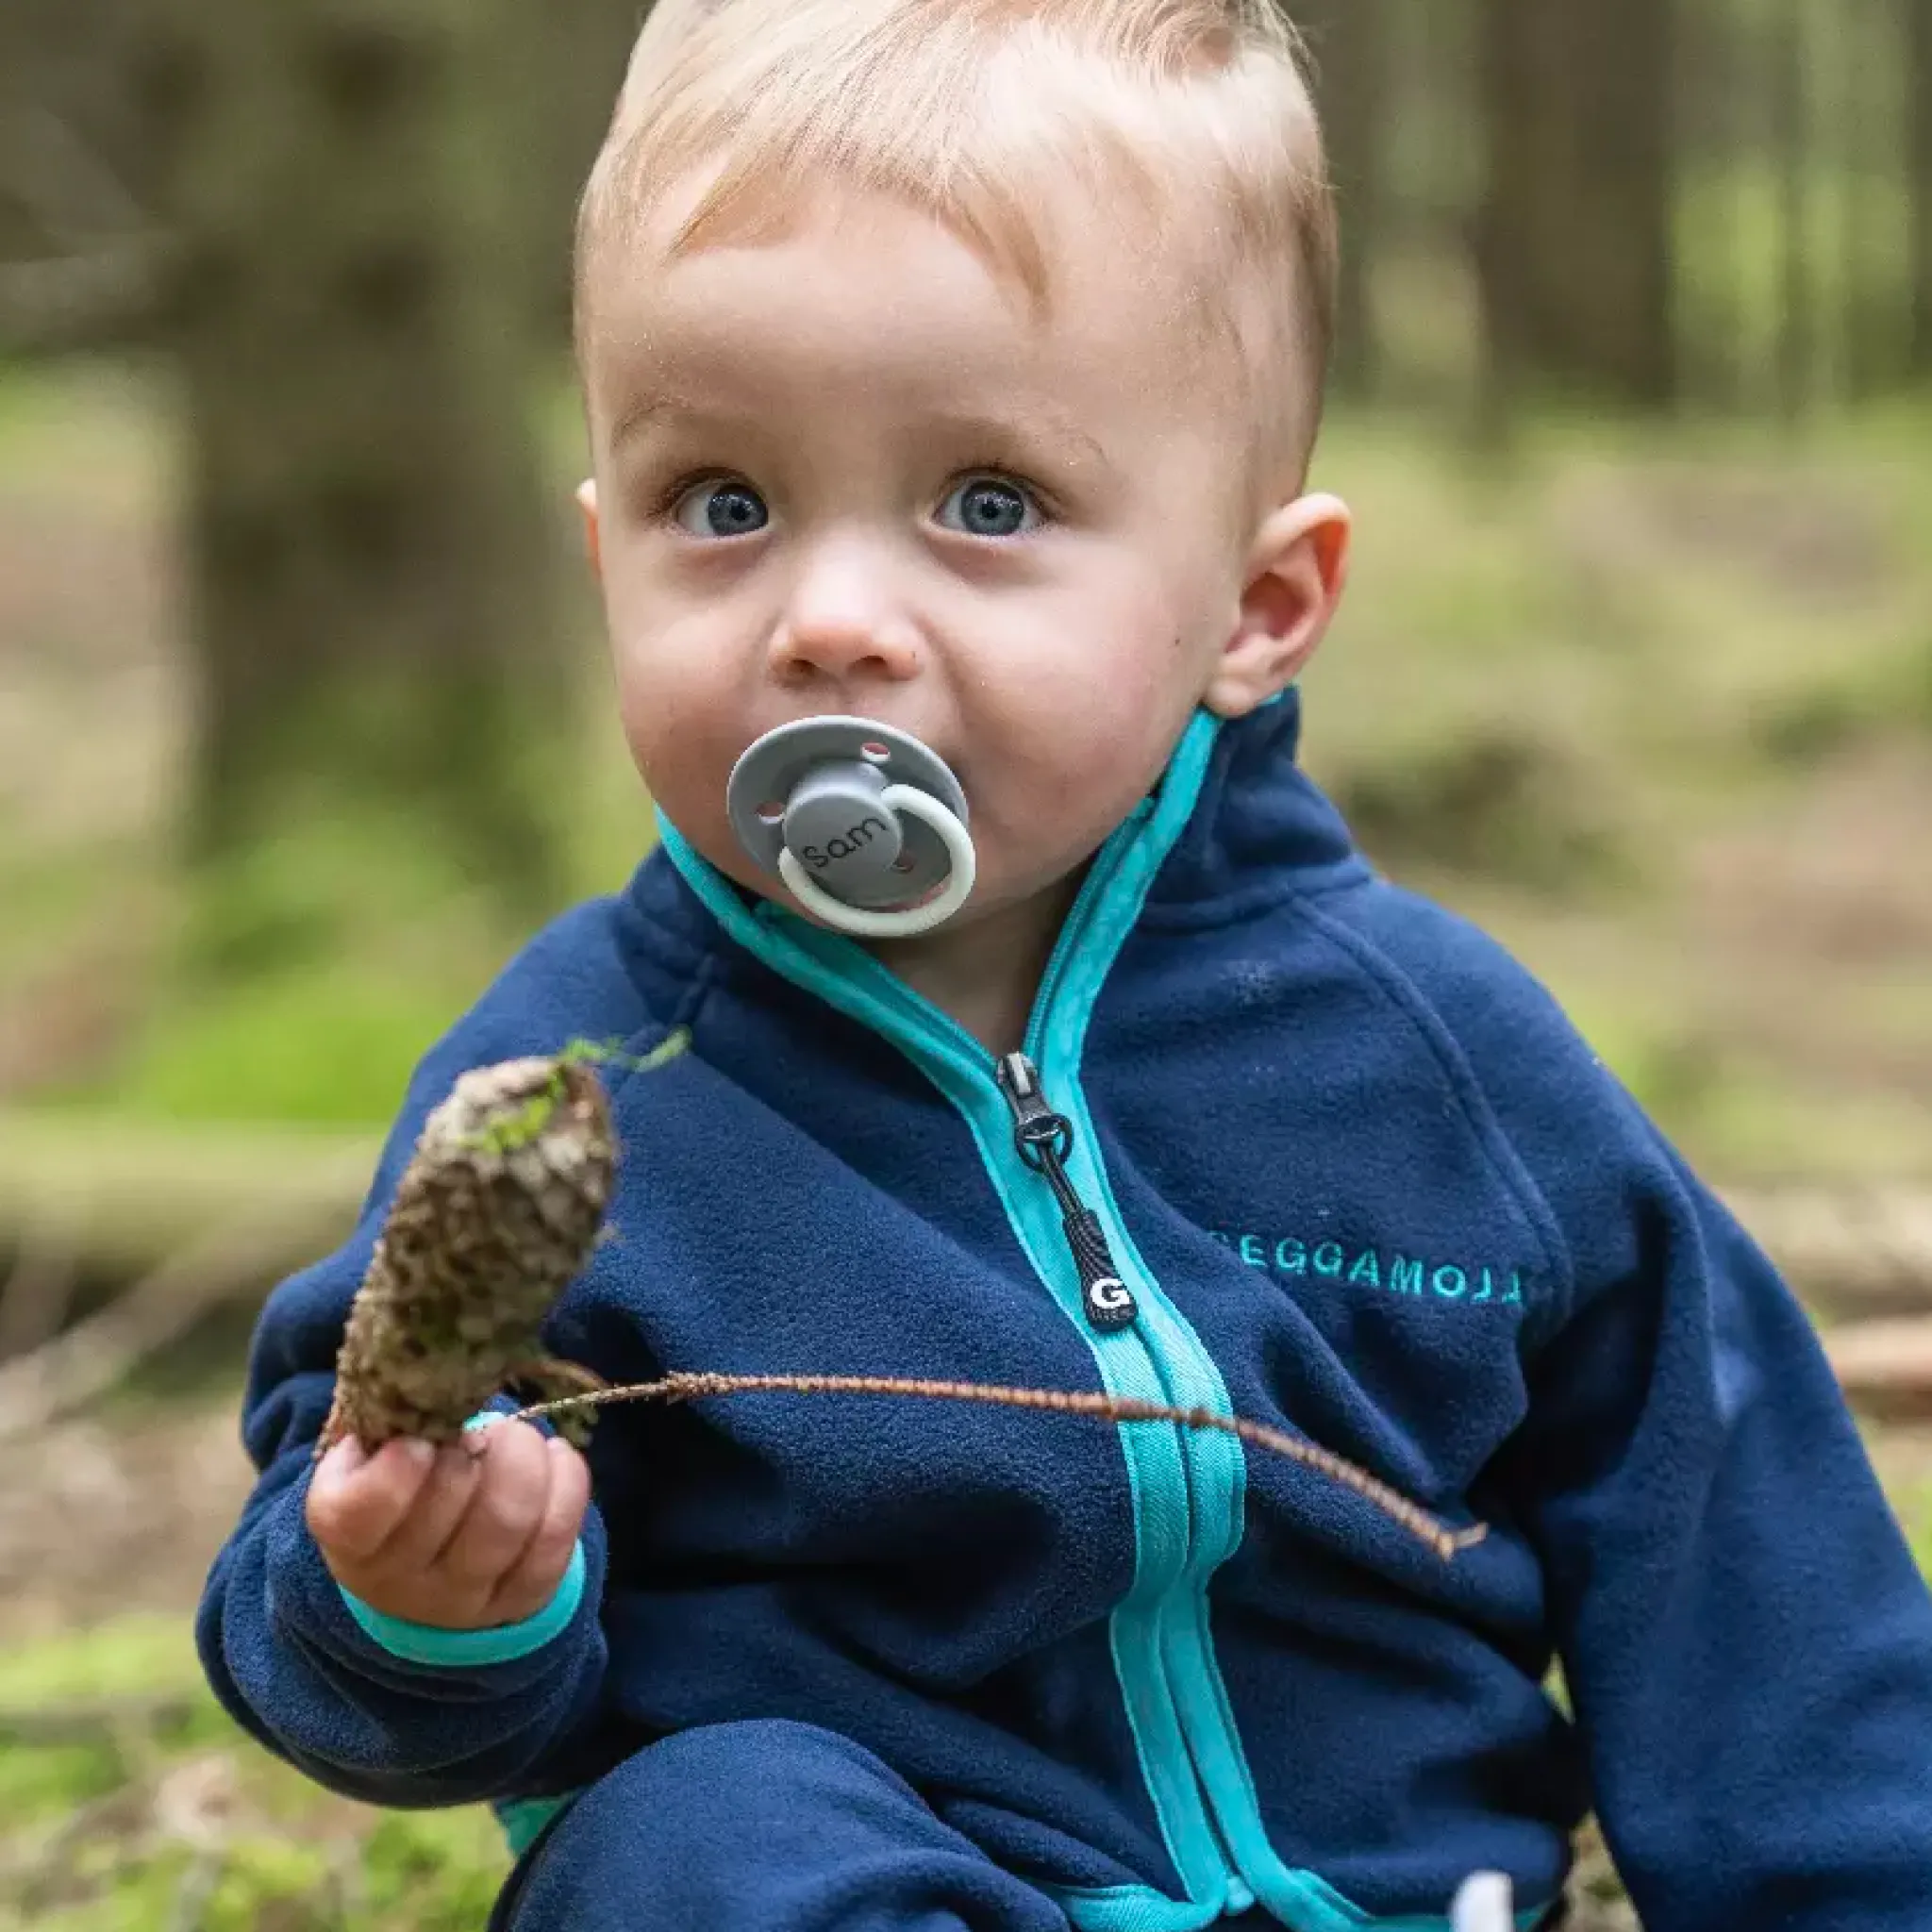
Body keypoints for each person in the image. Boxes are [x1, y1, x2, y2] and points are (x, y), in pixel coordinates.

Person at [194, 3, 1932, 1927]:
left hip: (1388, 1897)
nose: (831, 620)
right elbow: (334, 1638)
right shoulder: (579, 1099)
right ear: (608, 561)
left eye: (988, 504)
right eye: (725, 505)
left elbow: (1746, 1565)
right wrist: (426, 1595)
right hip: (881, 1887)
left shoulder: (1436, 1061)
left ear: (1255, 607)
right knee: (698, 1836)